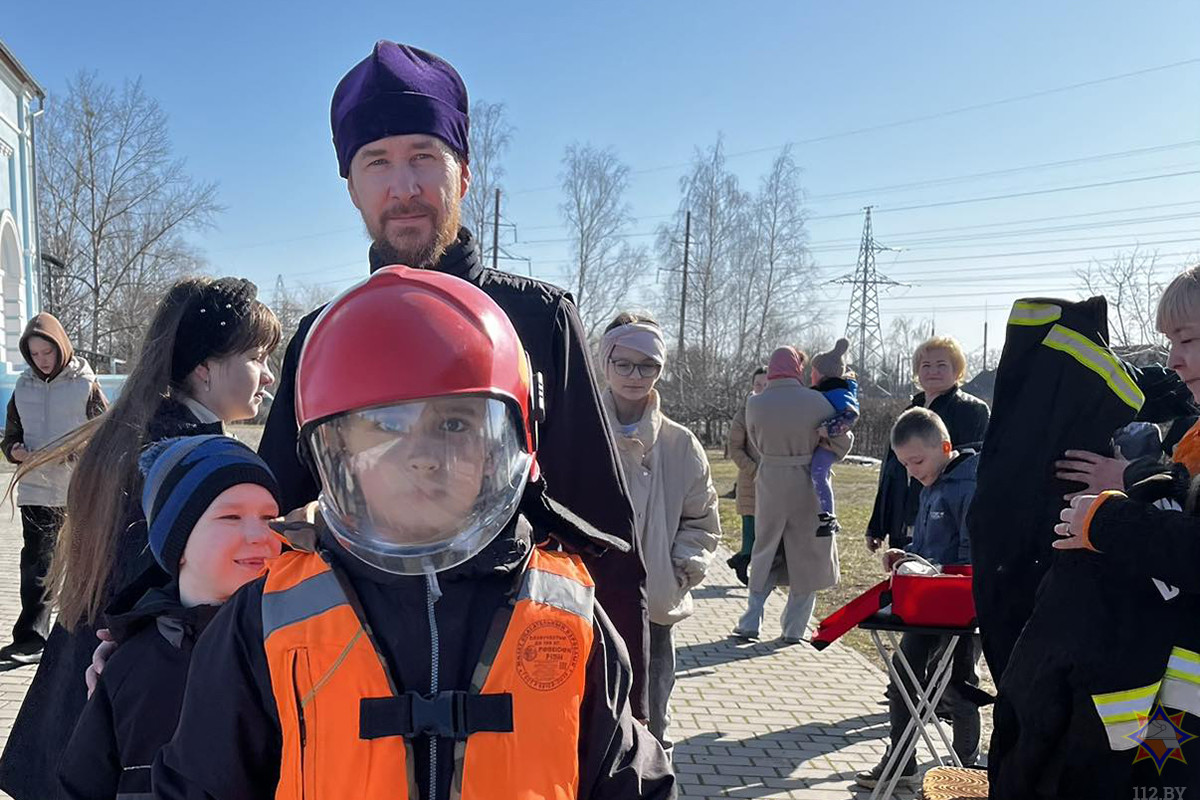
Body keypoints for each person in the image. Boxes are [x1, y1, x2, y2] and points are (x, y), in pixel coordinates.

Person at [152, 266, 674, 800]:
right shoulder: (269, 614)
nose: (423, 457)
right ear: (338, 454)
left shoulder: (566, 609)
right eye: (385, 427)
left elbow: (631, 782)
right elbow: (199, 782)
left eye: (454, 424)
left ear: (510, 439)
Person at [256, 40, 649, 716]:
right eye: (376, 162)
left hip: (521, 684)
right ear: (351, 187)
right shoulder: (326, 337)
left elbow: (602, 534)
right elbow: (259, 523)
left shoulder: (537, 319)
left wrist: (631, 720)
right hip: (361, 685)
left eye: (423, 157)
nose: (403, 186)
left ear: (462, 175)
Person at [0, 277, 280, 800]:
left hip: (96, 676)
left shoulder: (143, 433)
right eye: (258, 355)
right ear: (204, 367)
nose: (267, 375)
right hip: (137, 696)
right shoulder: (177, 457)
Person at [989, 267, 1200, 799]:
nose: (1173, 360)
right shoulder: (1194, 431)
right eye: (1171, 342)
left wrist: (1109, 516)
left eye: (1190, 340)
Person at [57, 436, 283, 800]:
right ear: (177, 543)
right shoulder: (129, 665)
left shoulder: (297, 645)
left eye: (270, 517)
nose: (262, 535)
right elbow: (82, 784)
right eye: (231, 516)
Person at [599, 312, 720, 754]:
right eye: (624, 363)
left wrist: (679, 571)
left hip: (654, 608)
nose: (635, 375)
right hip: (584, 599)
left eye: (647, 365)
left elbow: (702, 520)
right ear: (605, 363)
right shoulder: (580, 432)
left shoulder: (680, 443)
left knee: (651, 718)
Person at [855, 407, 982, 789]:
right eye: (904, 465)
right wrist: (906, 556)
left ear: (944, 447)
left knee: (957, 688)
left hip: (959, 607)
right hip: (925, 603)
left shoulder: (969, 486)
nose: (911, 471)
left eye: (917, 461)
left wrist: (933, 569)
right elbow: (927, 546)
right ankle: (902, 761)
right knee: (902, 679)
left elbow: (968, 556)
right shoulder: (930, 484)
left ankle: (965, 771)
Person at [0, 314, 107, 664]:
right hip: (35, 490)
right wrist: (13, 450)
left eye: (47, 352)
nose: (42, 360)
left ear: (60, 348)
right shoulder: (23, 387)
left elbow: (105, 433)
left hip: (75, 490)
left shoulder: (84, 384)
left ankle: (81, 638)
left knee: (82, 564)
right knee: (36, 565)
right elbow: (12, 433)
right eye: (34, 354)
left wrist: (79, 452)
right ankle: (31, 640)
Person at [733, 346, 852, 643]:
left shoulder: (755, 404)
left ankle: (751, 621)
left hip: (770, 480)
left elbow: (754, 441)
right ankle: (794, 629)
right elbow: (841, 441)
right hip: (807, 482)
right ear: (797, 367)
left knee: (766, 550)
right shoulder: (818, 401)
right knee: (807, 554)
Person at [866, 336, 989, 552]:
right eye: (926, 365)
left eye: (942, 365)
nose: (933, 371)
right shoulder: (909, 412)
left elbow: (973, 469)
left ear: (957, 370)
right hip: (902, 515)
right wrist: (878, 524)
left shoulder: (972, 410)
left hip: (945, 518)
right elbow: (891, 471)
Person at [809, 338, 859, 537]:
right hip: (831, 441)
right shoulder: (828, 389)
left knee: (818, 472)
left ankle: (830, 518)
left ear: (822, 373)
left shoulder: (837, 390)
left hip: (835, 442)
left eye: (813, 371)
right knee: (819, 473)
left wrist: (828, 429)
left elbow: (851, 414)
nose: (810, 374)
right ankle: (827, 516)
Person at [726, 366, 767, 585]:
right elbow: (735, 448)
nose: (762, 389)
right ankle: (742, 561)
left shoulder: (778, 412)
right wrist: (754, 469)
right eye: (758, 385)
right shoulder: (744, 414)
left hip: (775, 483)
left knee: (766, 534)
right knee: (751, 531)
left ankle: (740, 560)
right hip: (751, 481)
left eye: (766, 385)